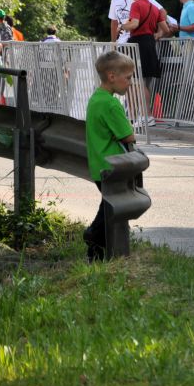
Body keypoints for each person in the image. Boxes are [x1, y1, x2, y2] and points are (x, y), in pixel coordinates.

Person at [84, 51, 136, 261]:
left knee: (108, 208)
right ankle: (93, 236)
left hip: (98, 164)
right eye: (128, 78)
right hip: (114, 166)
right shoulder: (111, 104)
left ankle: (96, 253)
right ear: (112, 76)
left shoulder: (96, 98)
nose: (130, 83)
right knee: (110, 212)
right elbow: (128, 136)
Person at [118, 0, 161, 125]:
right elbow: (165, 29)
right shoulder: (155, 8)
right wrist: (158, 35)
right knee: (146, 82)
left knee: (139, 82)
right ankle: (144, 116)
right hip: (150, 43)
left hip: (138, 44)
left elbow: (134, 24)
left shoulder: (136, 4)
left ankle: (146, 116)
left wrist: (122, 26)